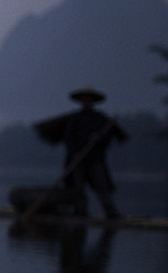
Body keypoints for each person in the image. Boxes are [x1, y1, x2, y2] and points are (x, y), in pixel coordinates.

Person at [34, 86, 128, 219]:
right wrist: (75, 153)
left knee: (102, 186)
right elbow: (68, 139)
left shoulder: (100, 118)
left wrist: (99, 138)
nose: (86, 102)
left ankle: (110, 212)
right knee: (78, 187)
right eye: (84, 100)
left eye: (89, 100)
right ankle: (80, 211)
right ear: (80, 102)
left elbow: (110, 137)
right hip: (78, 159)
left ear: (93, 102)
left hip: (95, 159)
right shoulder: (75, 119)